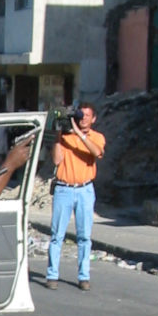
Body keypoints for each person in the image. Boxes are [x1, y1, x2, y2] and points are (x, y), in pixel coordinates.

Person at [46, 102, 105, 292]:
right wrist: (58, 134)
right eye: (82, 115)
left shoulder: (97, 137)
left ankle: (84, 276)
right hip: (64, 188)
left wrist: (80, 135)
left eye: (88, 115)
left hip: (85, 190)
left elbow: (96, 152)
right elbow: (56, 160)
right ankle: (52, 275)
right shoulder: (64, 137)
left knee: (84, 236)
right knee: (57, 236)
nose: (84, 119)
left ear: (94, 118)